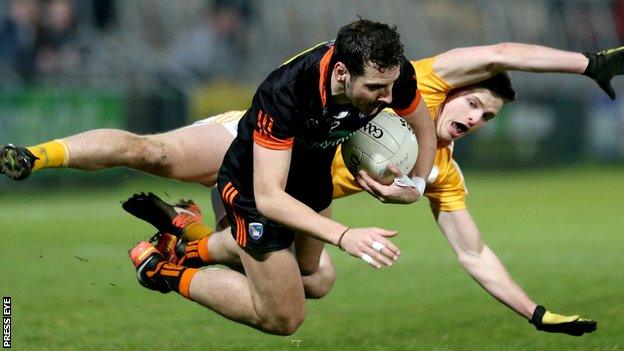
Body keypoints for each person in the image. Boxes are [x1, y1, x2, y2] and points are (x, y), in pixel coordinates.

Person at [3, 42, 621, 335]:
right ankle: (35, 155)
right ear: (456, 88)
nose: (475, 119)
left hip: (295, 201)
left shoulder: (439, 169)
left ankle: (185, 244)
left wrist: (534, 313)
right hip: (257, 153)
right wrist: (588, 64)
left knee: (317, 281)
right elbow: (504, 50)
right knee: (151, 151)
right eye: (476, 105)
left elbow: (472, 251)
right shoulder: (419, 83)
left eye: (487, 119)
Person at [138, 19, 437, 335]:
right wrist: (344, 235)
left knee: (315, 276)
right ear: (341, 74)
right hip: (253, 189)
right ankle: (161, 271)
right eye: (376, 88)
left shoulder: (391, 75)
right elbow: (270, 197)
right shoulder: (287, 91)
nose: (388, 98)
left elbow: (423, 126)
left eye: (391, 86)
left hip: (310, 176)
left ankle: (190, 246)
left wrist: (416, 185)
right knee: (284, 318)